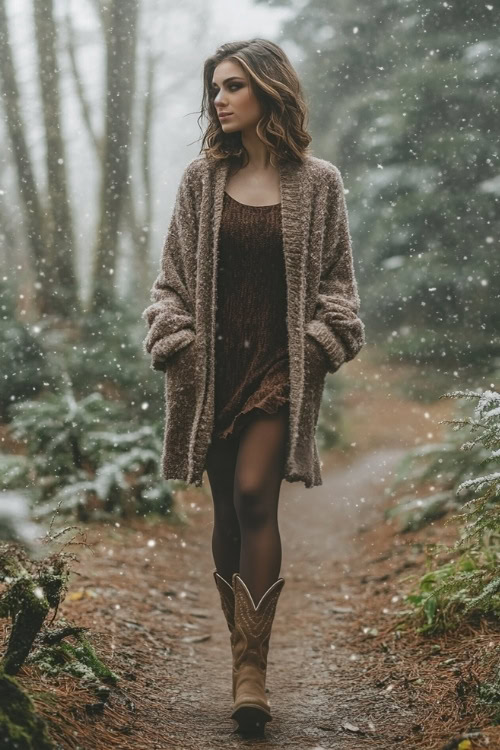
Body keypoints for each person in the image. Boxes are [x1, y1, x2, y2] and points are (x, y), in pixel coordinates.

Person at [142, 38, 366, 736]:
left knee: (252, 494)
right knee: (228, 519)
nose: (220, 99)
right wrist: (174, 339)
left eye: (233, 86)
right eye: (214, 88)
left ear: (268, 90)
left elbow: (339, 292)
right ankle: (243, 651)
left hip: (279, 370)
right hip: (212, 375)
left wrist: (321, 343)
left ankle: (252, 675)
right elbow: (170, 284)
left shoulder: (319, 182)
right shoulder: (199, 181)